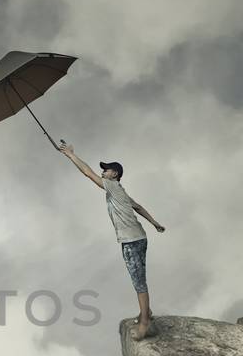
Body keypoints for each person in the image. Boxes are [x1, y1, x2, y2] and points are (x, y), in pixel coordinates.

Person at [57, 140, 166, 338]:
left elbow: (87, 173)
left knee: (139, 282)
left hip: (131, 241)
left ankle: (145, 323)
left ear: (114, 174)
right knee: (140, 276)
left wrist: (70, 154)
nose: (103, 172)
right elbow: (138, 207)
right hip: (141, 237)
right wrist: (154, 223)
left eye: (106, 170)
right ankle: (146, 311)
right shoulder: (120, 191)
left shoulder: (112, 186)